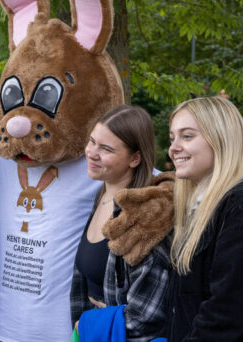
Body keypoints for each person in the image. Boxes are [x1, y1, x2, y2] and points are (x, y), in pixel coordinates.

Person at [166, 96, 243, 340]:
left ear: (221, 139)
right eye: (172, 137)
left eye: (187, 136)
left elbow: (229, 312)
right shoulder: (204, 203)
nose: (174, 147)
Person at [70, 105, 174, 341]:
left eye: (106, 149)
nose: (91, 152)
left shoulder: (147, 217)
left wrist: (87, 324)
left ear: (135, 158)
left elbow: (146, 317)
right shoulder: (101, 195)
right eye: (92, 141)